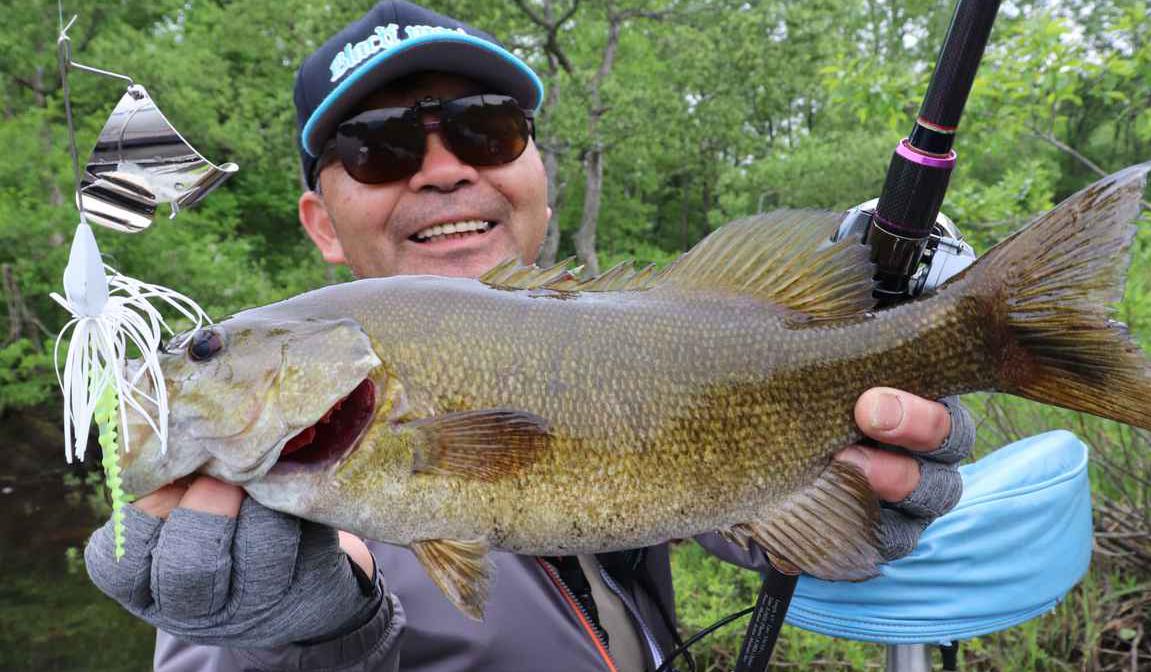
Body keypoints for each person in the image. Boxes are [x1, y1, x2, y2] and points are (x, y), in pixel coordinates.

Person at [85, 2, 975, 670]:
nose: (445, 168)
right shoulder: (253, 521)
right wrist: (299, 643)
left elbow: (688, 482)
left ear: (538, 176)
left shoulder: (643, 333)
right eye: (381, 147)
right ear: (321, 222)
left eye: (488, 128)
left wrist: (856, 487)